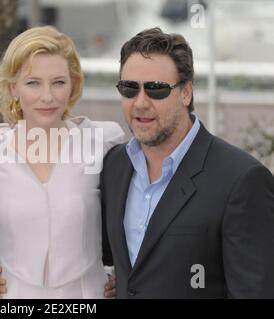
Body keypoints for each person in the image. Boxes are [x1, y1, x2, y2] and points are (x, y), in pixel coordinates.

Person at [101, 27, 274, 298]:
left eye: (156, 89)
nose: (140, 103)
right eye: (129, 88)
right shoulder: (114, 166)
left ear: (186, 93)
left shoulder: (242, 180)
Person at [0, 26, 123, 298]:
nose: (48, 96)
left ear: (73, 84)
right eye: (33, 83)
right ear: (13, 87)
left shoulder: (102, 142)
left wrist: (122, 272)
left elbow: (130, 219)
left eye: (59, 82)